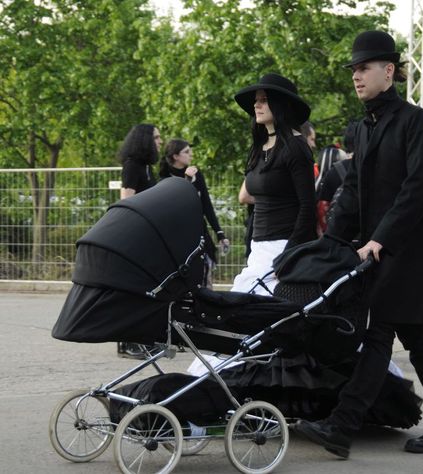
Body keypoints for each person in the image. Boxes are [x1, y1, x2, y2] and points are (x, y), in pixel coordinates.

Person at [293, 30, 423, 458]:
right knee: (417, 336)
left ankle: (342, 425)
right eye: (353, 69)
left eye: (364, 68)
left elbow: (418, 189)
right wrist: (329, 242)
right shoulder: (363, 129)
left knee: (381, 331)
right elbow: (352, 189)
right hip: (378, 248)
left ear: (389, 71)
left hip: (410, 248)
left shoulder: (415, 121)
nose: (356, 76)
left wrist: (379, 239)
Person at [230, 73, 317, 294]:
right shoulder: (260, 148)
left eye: (264, 100)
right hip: (258, 248)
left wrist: (289, 254)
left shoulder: (296, 147)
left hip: (283, 247)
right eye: (256, 100)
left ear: (280, 104)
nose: (256, 105)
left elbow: (308, 207)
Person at [117, 123, 162, 358]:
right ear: (145, 140)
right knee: (133, 290)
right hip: (134, 236)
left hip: (145, 234)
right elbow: (127, 202)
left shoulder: (145, 167)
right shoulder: (133, 165)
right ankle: (127, 343)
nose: (160, 141)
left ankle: (141, 339)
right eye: (156, 137)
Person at [159, 138, 229, 289]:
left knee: (205, 275)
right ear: (175, 156)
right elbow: (177, 203)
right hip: (178, 237)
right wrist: (187, 179)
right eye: (186, 152)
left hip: (199, 232)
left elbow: (206, 205)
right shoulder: (164, 180)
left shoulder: (197, 173)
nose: (191, 154)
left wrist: (220, 233)